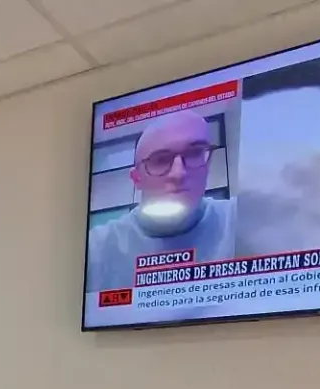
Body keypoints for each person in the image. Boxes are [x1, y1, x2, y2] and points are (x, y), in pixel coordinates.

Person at [85, 110, 236, 294]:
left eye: (194, 153)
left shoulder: (242, 220)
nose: (179, 173)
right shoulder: (96, 249)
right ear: (137, 179)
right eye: (161, 160)